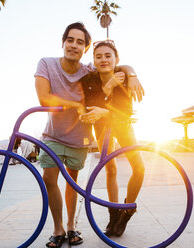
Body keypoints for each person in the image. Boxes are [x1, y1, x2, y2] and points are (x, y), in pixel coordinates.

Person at [34, 22, 143, 248]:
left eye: (80, 42)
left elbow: (114, 71)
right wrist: (80, 103)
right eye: (70, 40)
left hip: (101, 130)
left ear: (85, 49)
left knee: (134, 168)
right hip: (72, 130)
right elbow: (49, 99)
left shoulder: (104, 73)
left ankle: (116, 212)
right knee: (56, 178)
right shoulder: (65, 69)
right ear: (63, 42)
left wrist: (130, 72)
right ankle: (68, 226)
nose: (74, 45)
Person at [79, 40, 145, 237]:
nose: (103, 60)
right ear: (93, 61)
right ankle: (113, 213)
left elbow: (125, 112)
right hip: (101, 128)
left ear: (116, 59)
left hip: (122, 125)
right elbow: (92, 108)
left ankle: (127, 210)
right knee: (110, 168)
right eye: (98, 57)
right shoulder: (89, 79)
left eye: (108, 56)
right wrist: (107, 88)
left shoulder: (124, 77)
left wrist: (131, 74)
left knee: (139, 167)